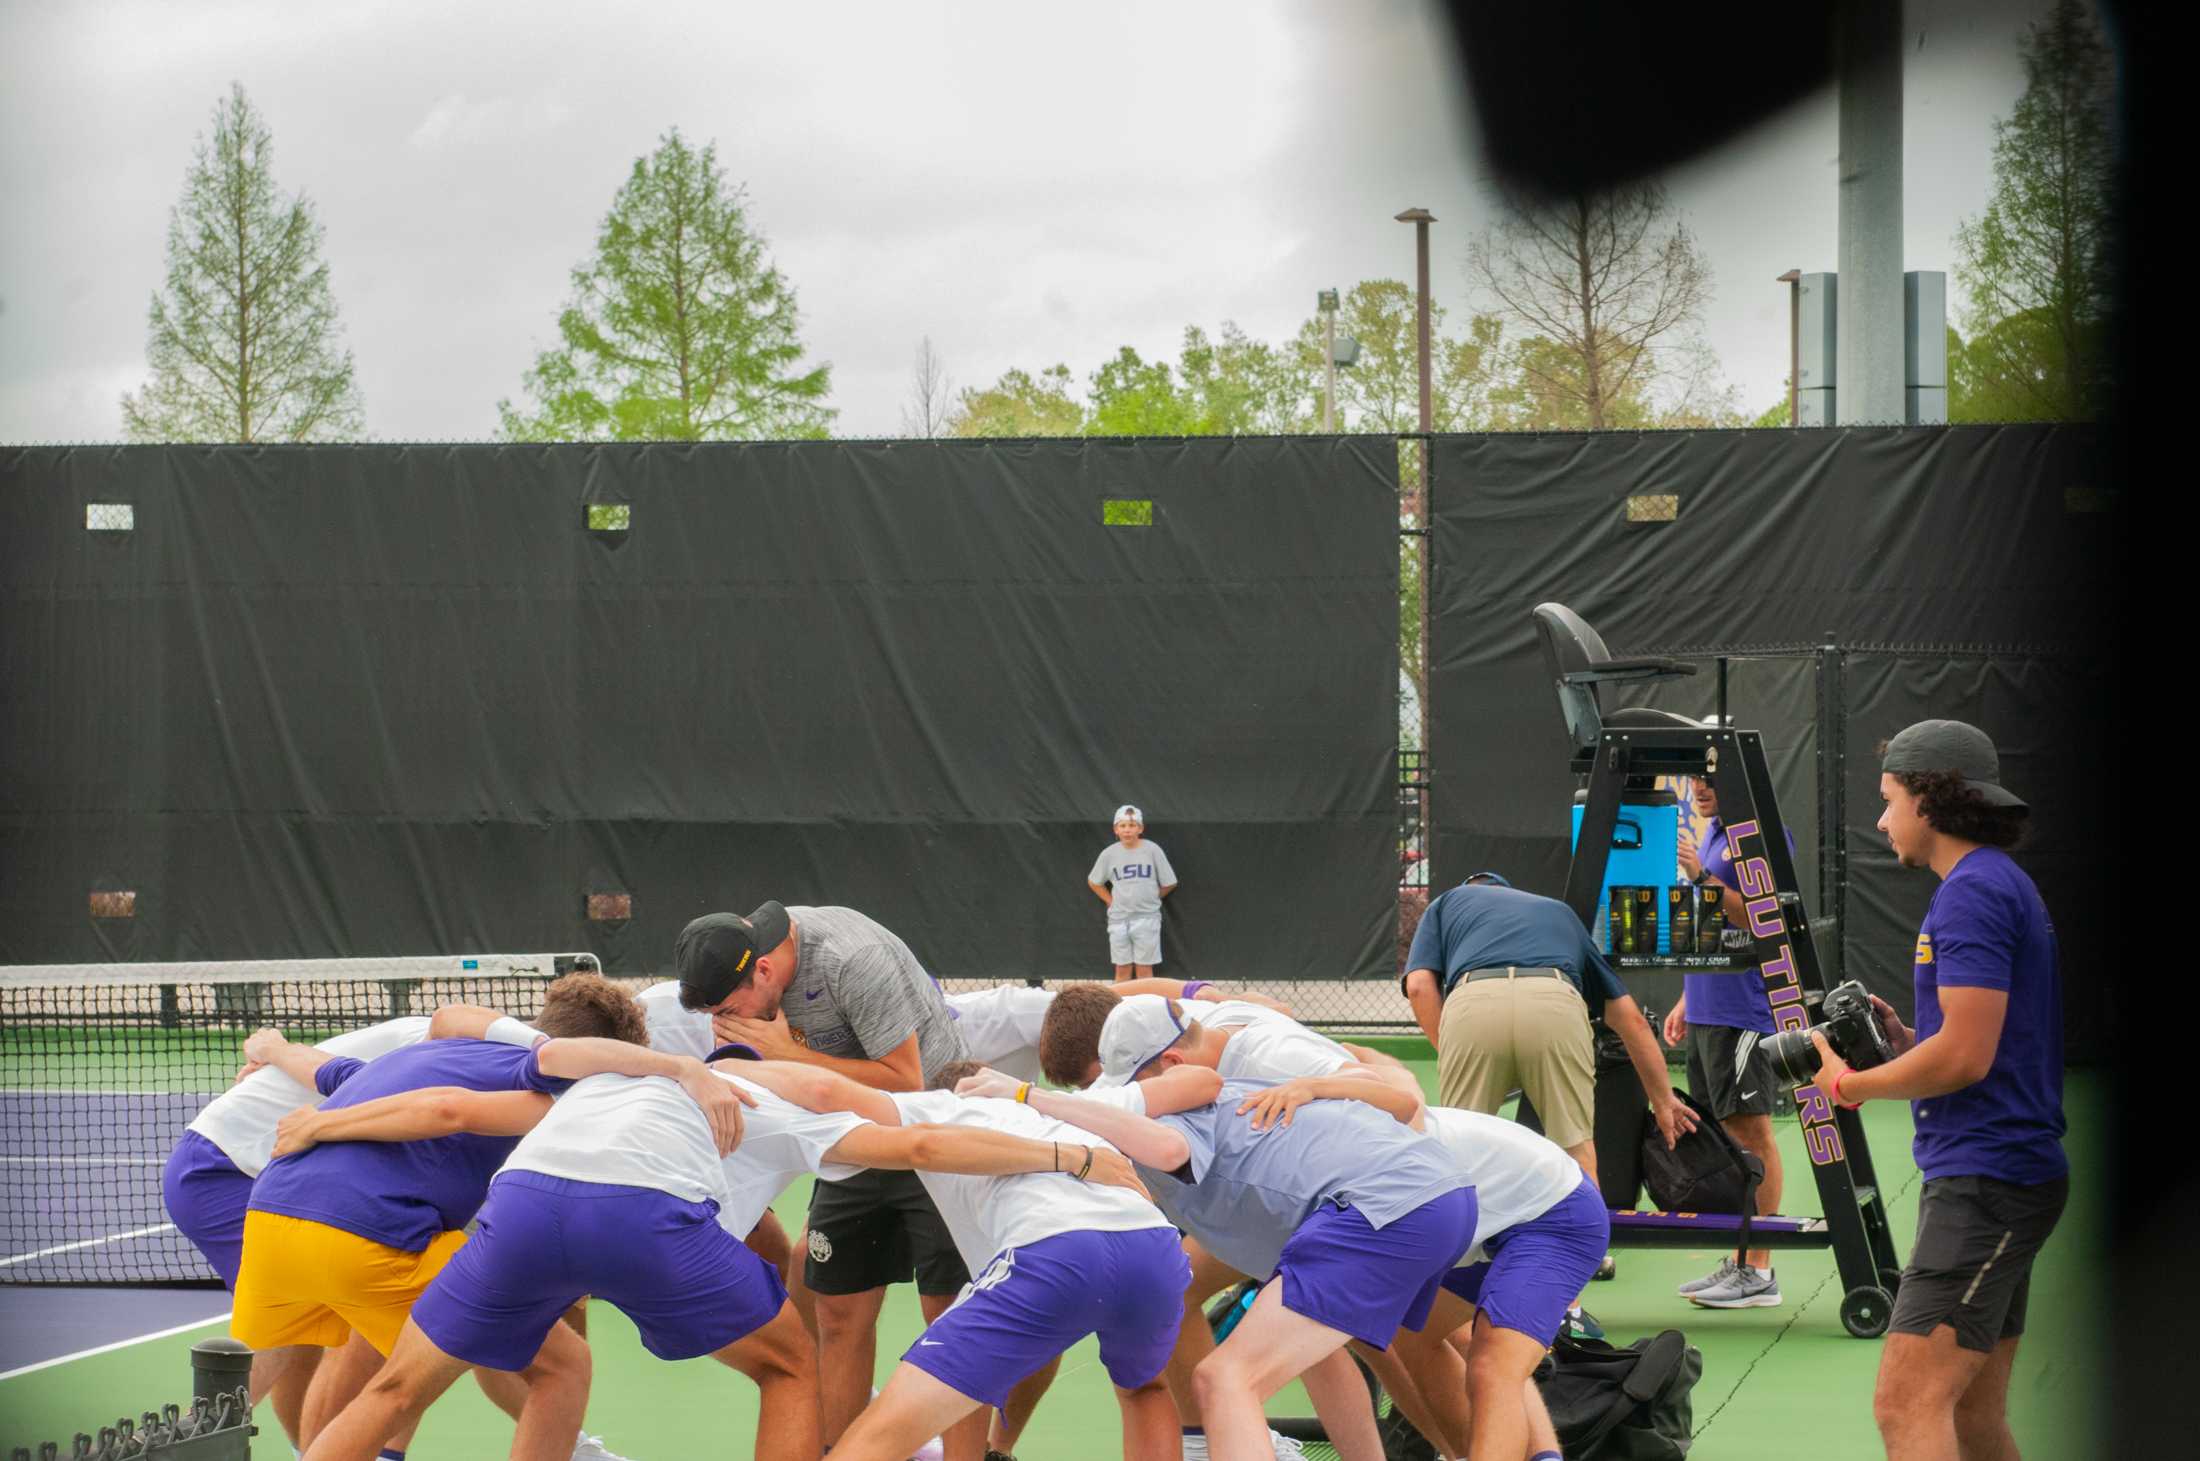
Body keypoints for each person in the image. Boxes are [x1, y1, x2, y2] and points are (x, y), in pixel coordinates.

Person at [287, 1043, 1147, 1461]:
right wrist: (1065, 1151)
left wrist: (323, 1115)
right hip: (645, 1217)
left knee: (399, 1384)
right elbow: (916, 1148)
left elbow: (461, 1109)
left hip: (522, 1205)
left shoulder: (601, 1077)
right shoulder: (772, 1096)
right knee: (789, 1363)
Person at [228, 975, 745, 1450]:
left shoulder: (429, 1053)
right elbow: (447, 1109)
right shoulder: (541, 1090)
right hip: (366, 1237)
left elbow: (330, 1067)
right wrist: (682, 1067)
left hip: (270, 1220)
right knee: (560, 1366)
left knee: (231, 1399)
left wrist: (272, 1047)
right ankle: (578, 1452)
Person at [994, 1028, 1476, 1461]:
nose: (1133, 1096)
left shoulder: (1190, 1108)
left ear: (1170, 1066)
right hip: (1431, 1195)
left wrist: (1028, 1096)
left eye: (1136, 1085)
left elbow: (1167, 1148)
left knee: (1225, 1378)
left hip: (1399, 1203)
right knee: (1331, 1349)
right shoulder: (1226, 1085)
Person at [1806, 722, 2065, 1461]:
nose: (1882, 819)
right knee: (1972, 1416)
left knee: (1906, 1403)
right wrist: (1909, 1045)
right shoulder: (1994, 884)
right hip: (2004, 1175)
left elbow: (1967, 1057)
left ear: (1930, 798)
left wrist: (1849, 1082)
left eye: (1889, 800)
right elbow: (1970, 1045)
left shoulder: (1972, 894)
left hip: (1988, 1184)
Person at [742, 1056, 1187, 1461]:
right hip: (1154, 1248)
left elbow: (825, 1092)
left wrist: (729, 1068)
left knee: (883, 1432)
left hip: (1056, 1249)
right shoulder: (1059, 1110)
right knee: (1144, 1390)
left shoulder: (941, 1105)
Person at [666, 902, 982, 1460]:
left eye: (727, 1008)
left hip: (931, 1133)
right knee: (836, 1313)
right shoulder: (748, 969)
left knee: (949, 1313)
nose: (723, 1024)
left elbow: (904, 1081)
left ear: (762, 971)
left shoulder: (851, 961)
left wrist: (790, 1053)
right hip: (847, 1144)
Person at [160, 1002, 540, 1454]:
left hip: (286, 1175)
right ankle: (207, 1441)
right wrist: (278, 1049)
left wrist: (275, 1048)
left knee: (315, 1332)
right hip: (231, 1169)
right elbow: (357, 1085)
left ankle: (267, 1445)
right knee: (403, 1325)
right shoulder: (455, 1052)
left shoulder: (487, 1054)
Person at [1400, 872, 1696, 1181]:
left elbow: (1420, 986)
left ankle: (1471, 1230)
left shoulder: (1447, 902)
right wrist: (1663, 1102)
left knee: (1462, 1154)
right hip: (1554, 999)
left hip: (1474, 1001)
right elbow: (1632, 1021)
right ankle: (1584, 1230)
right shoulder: (1557, 911)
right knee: (1576, 1156)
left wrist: (1451, 1052)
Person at [1662, 774, 1790, 1309]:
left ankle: (1759, 1269)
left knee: (1751, 1132)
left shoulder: (1758, 833)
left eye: (1712, 779)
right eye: (1695, 780)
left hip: (1743, 1011)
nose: (1701, 789)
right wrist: (1689, 998)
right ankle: (1740, 1260)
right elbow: (1713, 925)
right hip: (1711, 1006)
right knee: (1726, 1137)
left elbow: (1764, 919)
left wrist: (1699, 877)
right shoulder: (1715, 831)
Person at [1088, 805, 1178, 979]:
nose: (1127, 830)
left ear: (1140, 828)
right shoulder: (1109, 854)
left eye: (1132, 825)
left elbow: (1170, 882)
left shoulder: (1152, 850)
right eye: (1122, 826)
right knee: (1122, 969)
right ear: (1116, 829)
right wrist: (1110, 900)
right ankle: (1121, 1005)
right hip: (1118, 920)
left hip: (1147, 918)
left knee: (1144, 970)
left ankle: (1146, 1005)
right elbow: (1094, 881)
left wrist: (1152, 897)